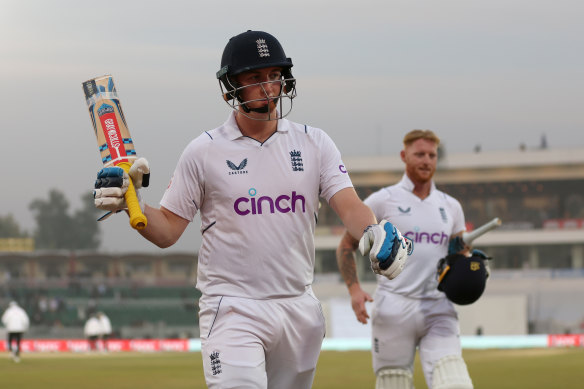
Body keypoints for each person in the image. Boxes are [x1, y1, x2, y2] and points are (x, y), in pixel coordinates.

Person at [92, 30, 411, 388]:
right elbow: (167, 230)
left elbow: (349, 205)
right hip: (232, 307)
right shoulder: (204, 151)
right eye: (255, 78)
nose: (268, 86)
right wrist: (130, 203)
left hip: (298, 308)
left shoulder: (314, 142)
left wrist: (372, 229)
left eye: (274, 76)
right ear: (230, 87)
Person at [336, 130, 474, 389]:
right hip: (393, 308)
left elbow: (457, 253)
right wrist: (354, 289)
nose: (426, 160)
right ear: (404, 156)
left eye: (432, 155)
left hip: (438, 307)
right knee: (393, 383)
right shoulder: (382, 200)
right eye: (419, 154)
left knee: (455, 382)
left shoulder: (451, 206)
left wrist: (469, 266)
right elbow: (346, 245)